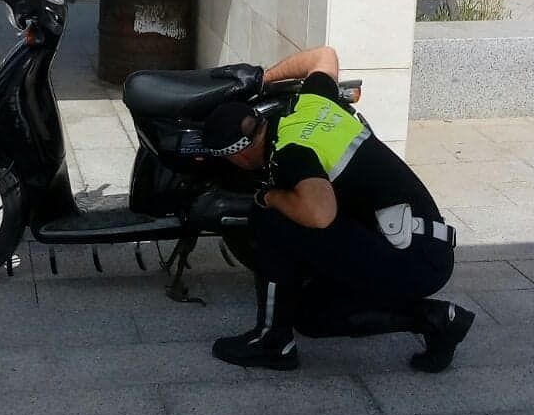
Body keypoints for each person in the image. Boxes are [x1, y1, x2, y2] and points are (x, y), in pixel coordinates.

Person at [199, 46, 473, 373]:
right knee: (313, 316)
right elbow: (323, 57)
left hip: (414, 257)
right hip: (422, 242)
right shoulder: (308, 106)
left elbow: (319, 213)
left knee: (269, 216)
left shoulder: (291, 151)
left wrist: (270, 197)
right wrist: (262, 80)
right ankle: (439, 320)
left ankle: (272, 342)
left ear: (238, 156)